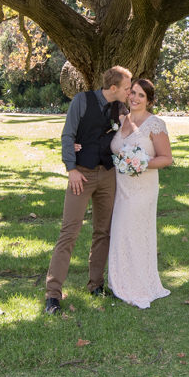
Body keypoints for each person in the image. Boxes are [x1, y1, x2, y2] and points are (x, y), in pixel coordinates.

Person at [44, 65, 132, 315]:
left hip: (108, 175)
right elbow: (67, 134)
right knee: (69, 232)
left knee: (103, 232)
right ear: (113, 87)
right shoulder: (81, 101)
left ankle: (96, 285)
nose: (130, 91)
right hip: (80, 175)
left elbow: (129, 134)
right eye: (127, 87)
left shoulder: (120, 108)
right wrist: (71, 168)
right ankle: (53, 294)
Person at [106, 77, 174, 309]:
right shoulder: (121, 120)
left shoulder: (154, 124)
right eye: (132, 93)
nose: (134, 98)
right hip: (120, 187)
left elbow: (166, 158)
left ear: (149, 100)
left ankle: (139, 283)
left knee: (134, 231)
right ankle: (119, 281)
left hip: (143, 188)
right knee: (121, 231)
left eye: (140, 95)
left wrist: (140, 163)